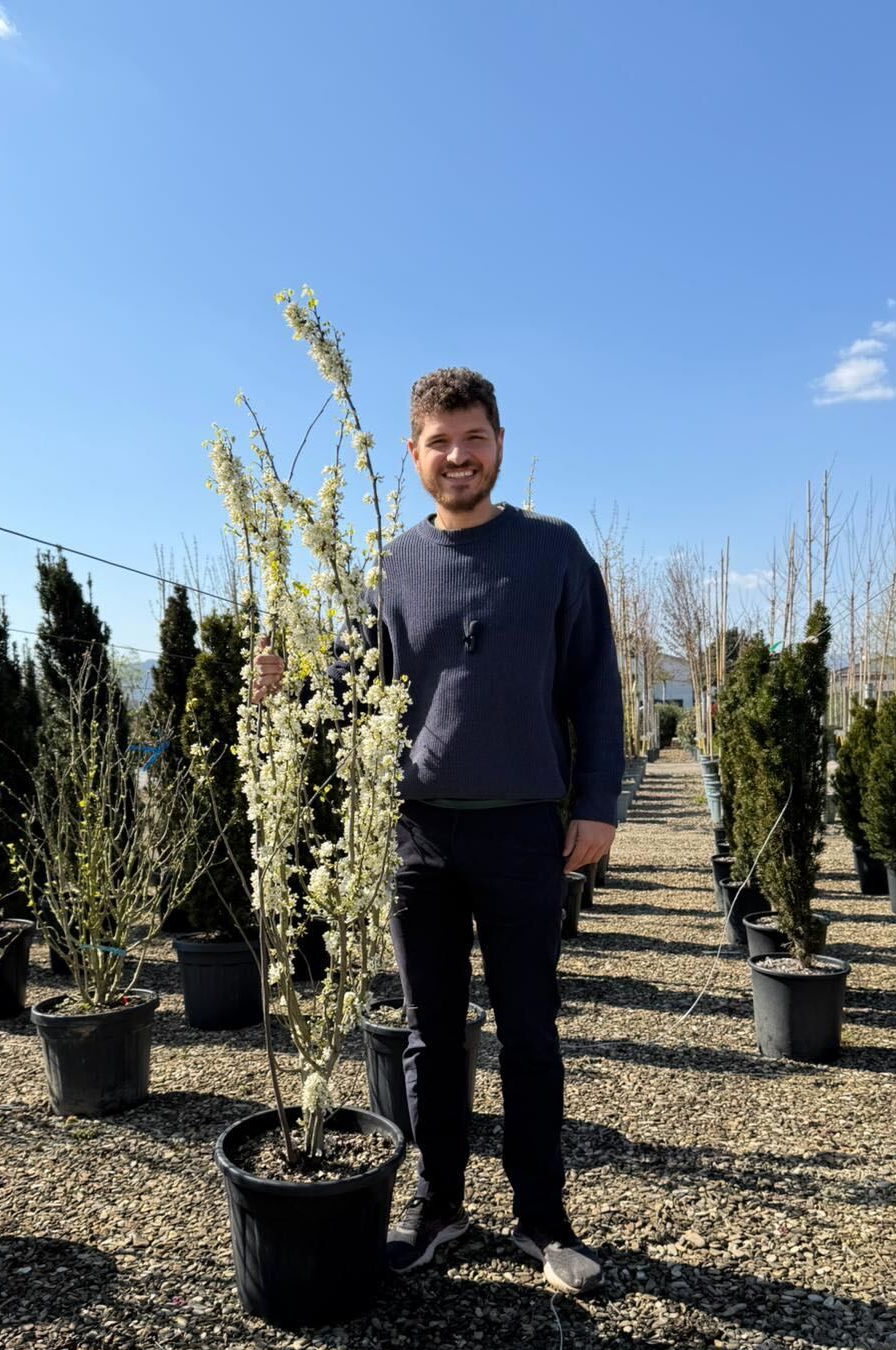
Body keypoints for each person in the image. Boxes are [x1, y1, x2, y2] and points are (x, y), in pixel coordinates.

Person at [254, 368, 623, 1295]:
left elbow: (595, 686)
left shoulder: (554, 552)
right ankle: (440, 1204)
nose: (458, 457)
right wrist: (284, 680)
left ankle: (544, 1220)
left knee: (530, 1030)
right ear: (414, 453)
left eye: (474, 439)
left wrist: (597, 803)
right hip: (417, 834)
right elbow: (352, 684)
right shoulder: (390, 564)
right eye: (438, 443)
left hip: (524, 831)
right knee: (429, 1034)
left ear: (499, 443)